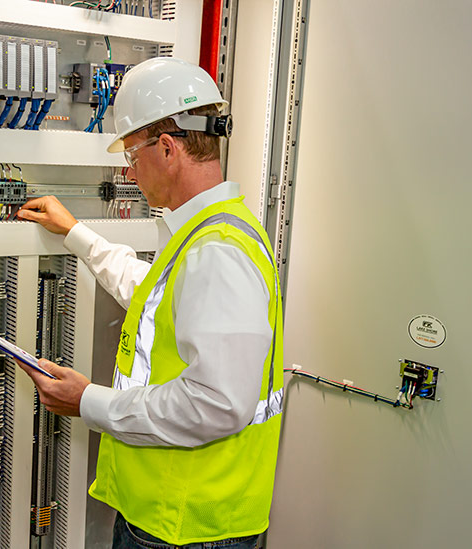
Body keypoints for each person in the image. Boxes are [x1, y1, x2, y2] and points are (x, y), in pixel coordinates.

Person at [16, 58, 284, 549]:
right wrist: (76, 233)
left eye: (132, 154)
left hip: (188, 529)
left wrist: (88, 401)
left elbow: (217, 402)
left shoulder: (217, 251)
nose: (128, 169)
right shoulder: (208, 236)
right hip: (172, 520)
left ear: (167, 148)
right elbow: (152, 296)